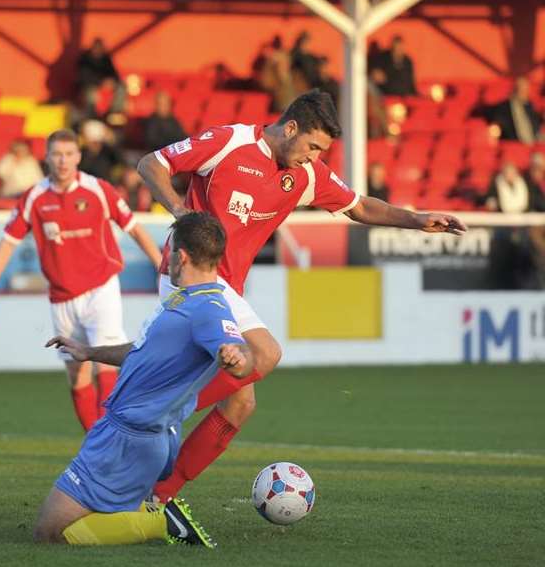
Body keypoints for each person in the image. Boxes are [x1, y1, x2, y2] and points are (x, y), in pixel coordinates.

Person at [137, 89, 468, 502]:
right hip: (188, 272)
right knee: (266, 354)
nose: (314, 157)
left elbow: (359, 206)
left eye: (321, 150)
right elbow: (151, 163)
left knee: (241, 403)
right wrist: (178, 210)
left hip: (225, 286)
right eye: (312, 146)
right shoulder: (229, 142)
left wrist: (417, 220)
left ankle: (158, 494)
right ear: (289, 127)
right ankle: (163, 411)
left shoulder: (306, 174)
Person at [34, 212, 254, 547]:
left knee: (50, 533)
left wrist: (238, 359)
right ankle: (152, 517)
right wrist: (88, 351)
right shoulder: (186, 298)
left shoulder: (209, 307)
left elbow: (241, 354)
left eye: (170, 252)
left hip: (127, 439)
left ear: (181, 256)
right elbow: (143, 351)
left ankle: (161, 522)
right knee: (93, 521)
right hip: (144, 437)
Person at [0, 129, 163, 431]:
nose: (63, 161)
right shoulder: (35, 197)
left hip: (101, 288)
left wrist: (159, 264)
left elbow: (134, 228)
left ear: (78, 156)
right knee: (76, 373)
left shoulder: (98, 190)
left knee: (105, 359)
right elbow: (8, 240)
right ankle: (94, 440)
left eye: (68, 154)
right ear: (47, 158)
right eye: (56, 154)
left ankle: (112, 435)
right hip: (62, 297)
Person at [490, 77, 543, 144]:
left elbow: (536, 126)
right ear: (514, 89)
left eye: (525, 90)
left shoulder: (529, 106)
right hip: (514, 144)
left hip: (533, 144)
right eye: (521, 89)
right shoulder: (504, 108)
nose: (524, 92)